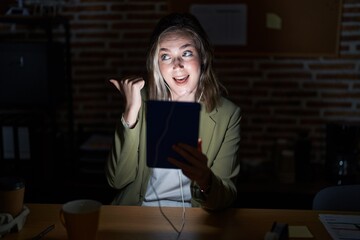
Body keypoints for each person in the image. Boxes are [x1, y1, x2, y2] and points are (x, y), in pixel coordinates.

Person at [105, 12, 241, 211]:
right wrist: (130, 114)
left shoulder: (227, 114)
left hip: (195, 218)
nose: (177, 65)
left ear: (202, 56)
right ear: (157, 64)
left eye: (186, 53)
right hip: (138, 212)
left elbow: (226, 197)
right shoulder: (140, 101)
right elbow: (116, 181)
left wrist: (206, 180)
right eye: (165, 56)